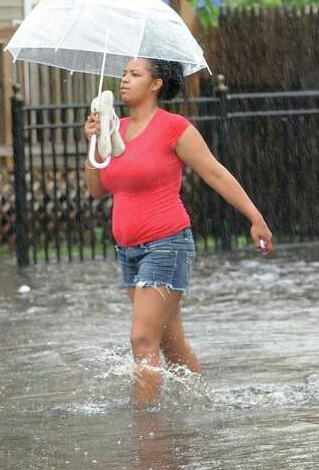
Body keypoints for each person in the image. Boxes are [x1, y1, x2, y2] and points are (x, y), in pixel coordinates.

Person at [83, 57, 274, 407]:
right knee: (170, 343)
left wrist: (254, 217)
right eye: (124, 74)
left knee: (142, 340)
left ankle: (147, 431)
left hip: (167, 245)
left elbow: (214, 173)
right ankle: (205, 405)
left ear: (155, 85)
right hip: (129, 251)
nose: (124, 80)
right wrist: (93, 143)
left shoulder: (174, 127)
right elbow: (97, 189)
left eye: (135, 74)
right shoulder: (114, 128)